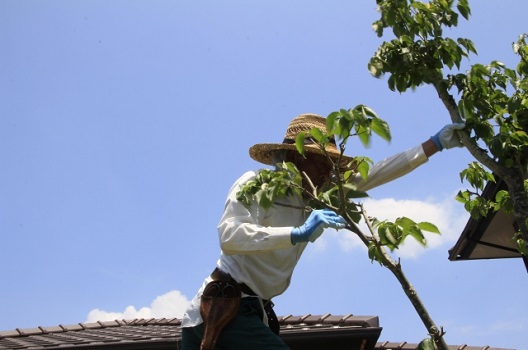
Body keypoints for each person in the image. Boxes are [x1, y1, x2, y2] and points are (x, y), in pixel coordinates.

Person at [181, 113, 464, 350]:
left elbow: (376, 174)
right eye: (321, 162)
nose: (328, 173)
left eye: (332, 165)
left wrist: (434, 144)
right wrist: (296, 233)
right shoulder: (256, 184)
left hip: (252, 312)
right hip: (222, 308)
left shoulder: (317, 196)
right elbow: (229, 236)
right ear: (297, 156)